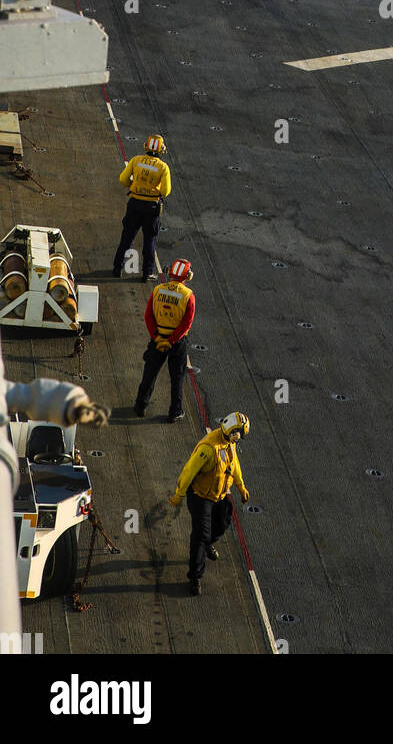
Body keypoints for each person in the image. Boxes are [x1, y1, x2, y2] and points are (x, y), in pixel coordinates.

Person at [169, 412, 250, 595]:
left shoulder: (229, 443)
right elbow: (189, 471)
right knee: (199, 535)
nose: (239, 438)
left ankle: (208, 543)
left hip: (219, 496)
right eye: (240, 434)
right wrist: (179, 495)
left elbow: (234, 464)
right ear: (234, 432)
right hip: (200, 497)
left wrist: (241, 486)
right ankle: (195, 577)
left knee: (224, 520)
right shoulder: (209, 448)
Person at [134, 259, 195, 423]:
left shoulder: (158, 290)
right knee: (177, 378)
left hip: (157, 339)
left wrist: (157, 337)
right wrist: (172, 340)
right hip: (176, 344)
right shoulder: (188, 296)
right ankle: (175, 411)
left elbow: (148, 316)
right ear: (187, 276)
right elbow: (186, 323)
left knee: (150, 373)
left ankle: (140, 405)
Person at [112, 135, 171, 281]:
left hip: (134, 204)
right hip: (151, 207)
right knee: (149, 241)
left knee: (127, 237)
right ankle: (147, 273)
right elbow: (165, 191)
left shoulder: (136, 160)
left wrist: (135, 185)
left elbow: (123, 179)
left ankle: (117, 268)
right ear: (161, 150)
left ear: (146, 146)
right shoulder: (163, 167)